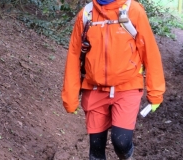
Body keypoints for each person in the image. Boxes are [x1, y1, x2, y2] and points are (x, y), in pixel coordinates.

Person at [61, 0, 165, 159]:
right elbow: (74, 56)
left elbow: (149, 52)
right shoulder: (86, 14)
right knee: (96, 149)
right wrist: (70, 96)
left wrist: (155, 92)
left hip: (127, 87)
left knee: (121, 143)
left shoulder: (134, 11)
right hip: (94, 89)